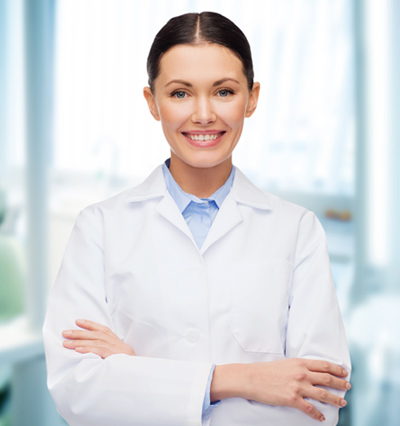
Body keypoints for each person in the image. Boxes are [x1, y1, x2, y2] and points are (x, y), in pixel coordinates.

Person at [43, 11, 351, 426]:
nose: (203, 114)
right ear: (152, 102)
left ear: (252, 98)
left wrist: (135, 374)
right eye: (180, 93)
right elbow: (76, 389)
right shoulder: (99, 227)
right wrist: (240, 380)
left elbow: (321, 400)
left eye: (224, 92)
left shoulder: (297, 231)